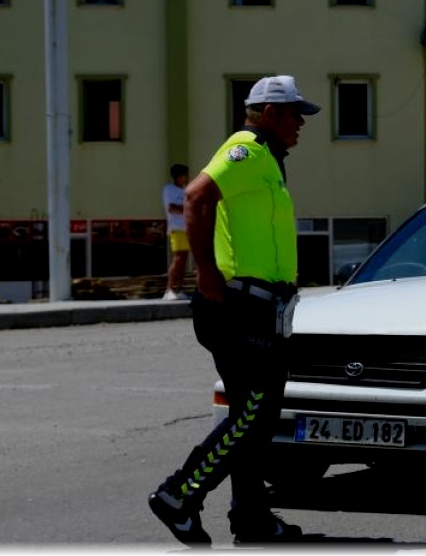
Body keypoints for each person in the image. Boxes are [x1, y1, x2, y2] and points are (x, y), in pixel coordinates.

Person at [148, 75, 320, 546]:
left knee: (256, 418)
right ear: (269, 114)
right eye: (294, 115)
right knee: (252, 414)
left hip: (263, 306)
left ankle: (252, 518)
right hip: (239, 305)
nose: (301, 124)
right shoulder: (245, 150)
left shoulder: (267, 159)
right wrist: (204, 271)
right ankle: (179, 494)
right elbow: (197, 196)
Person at [162, 163, 192, 300]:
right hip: (177, 229)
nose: (187, 177)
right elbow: (171, 208)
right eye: (185, 175)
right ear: (178, 176)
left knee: (184, 261)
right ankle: (169, 289)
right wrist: (188, 210)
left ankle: (178, 289)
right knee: (178, 259)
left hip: (187, 229)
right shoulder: (169, 189)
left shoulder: (186, 190)